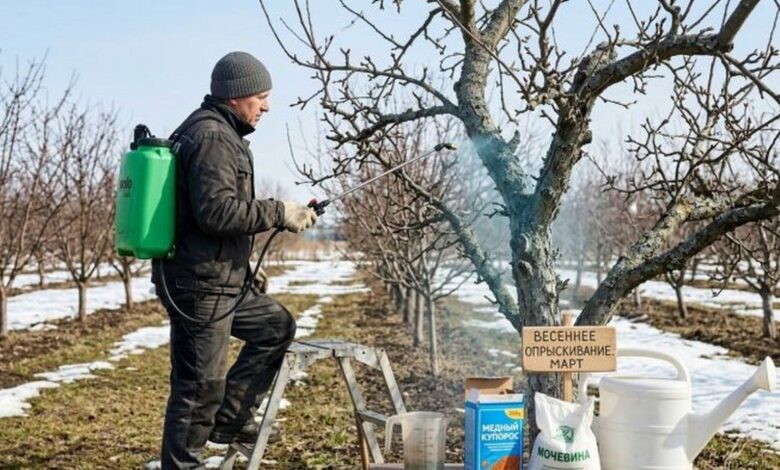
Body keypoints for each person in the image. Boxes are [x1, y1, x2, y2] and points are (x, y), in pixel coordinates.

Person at [151, 51, 318, 469]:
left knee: (275, 326)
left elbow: (208, 218)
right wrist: (278, 211)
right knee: (198, 388)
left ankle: (230, 420)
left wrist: (244, 266)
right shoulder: (212, 137)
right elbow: (217, 212)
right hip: (200, 287)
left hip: (222, 280)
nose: (266, 106)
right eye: (261, 96)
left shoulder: (221, 134)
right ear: (235, 95)